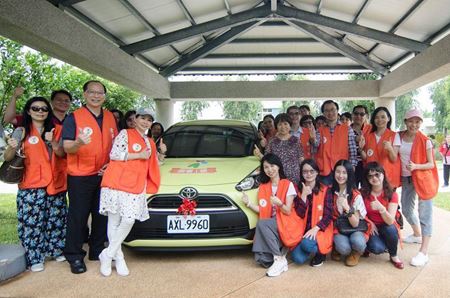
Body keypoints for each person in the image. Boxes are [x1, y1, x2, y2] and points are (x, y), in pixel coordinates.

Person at [4, 97, 67, 272]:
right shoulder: (22, 130)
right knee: (33, 223)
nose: (40, 111)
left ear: (48, 112)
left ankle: (55, 249)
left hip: (55, 182)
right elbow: (8, 158)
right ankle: (34, 257)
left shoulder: (57, 130)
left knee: (56, 219)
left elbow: (63, 154)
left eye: (44, 109)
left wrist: (52, 142)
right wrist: (12, 146)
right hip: (31, 183)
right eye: (36, 108)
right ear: (29, 111)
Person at [99, 108, 164, 277]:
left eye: (149, 120)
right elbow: (114, 154)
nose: (145, 122)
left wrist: (162, 152)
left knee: (128, 220)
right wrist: (138, 154)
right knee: (114, 221)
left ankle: (107, 254)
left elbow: (155, 163)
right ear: (135, 119)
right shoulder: (125, 134)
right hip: (117, 182)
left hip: (136, 185)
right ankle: (119, 258)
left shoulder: (150, 141)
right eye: (142, 118)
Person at [62, 80, 118, 274]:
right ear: (85, 94)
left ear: (104, 95)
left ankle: (97, 250)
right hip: (80, 176)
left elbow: (116, 147)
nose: (96, 96)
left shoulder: (111, 117)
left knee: (101, 214)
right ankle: (75, 256)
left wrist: (111, 165)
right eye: (92, 92)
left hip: (104, 175)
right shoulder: (74, 118)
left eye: (100, 92)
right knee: (78, 216)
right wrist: (78, 142)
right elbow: (67, 146)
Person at [241, 153, 302, 277]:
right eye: (266, 167)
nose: (270, 170)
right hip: (271, 225)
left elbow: (288, 211)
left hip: (286, 222)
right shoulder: (263, 187)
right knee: (262, 260)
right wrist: (248, 204)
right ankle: (280, 252)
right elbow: (262, 210)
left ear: (278, 166)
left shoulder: (287, 184)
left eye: (272, 166)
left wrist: (279, 204)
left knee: (262, 223)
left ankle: (279, 258)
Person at [392, 109, 438, 267]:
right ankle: (417, 233)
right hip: (406, 178)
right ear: (405, 121)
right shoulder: (399, 136)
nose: (414, 124)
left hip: (423, 178)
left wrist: (416, 166)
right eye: (411, 121)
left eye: (418, 121)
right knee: (406, 209)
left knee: (425, 213)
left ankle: (424, 252)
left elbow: (431, 164)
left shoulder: (425, 140)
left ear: (421, 123)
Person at [361, 162, 403, 269]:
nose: (374, 178)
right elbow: (360, 213)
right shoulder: (363, 193)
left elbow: (390, 221)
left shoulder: (392, 194)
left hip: (386, 225)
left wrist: (381, 208)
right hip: (370, 226)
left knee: (390, 229)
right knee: (377, 248)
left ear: (383, 174)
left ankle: (393, 255)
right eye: (370, 176)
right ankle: (371, 246)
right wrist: (370, 223)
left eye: (377, 174)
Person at [291, 159, 333, 267]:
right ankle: (310, 245)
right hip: (303, 229)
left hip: (319, 228)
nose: (308, 174)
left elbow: (328, 215)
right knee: (297, 258)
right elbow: (299, 215)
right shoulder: (298, 189)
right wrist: (304, 196)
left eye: (311, 171)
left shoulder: (325, 189)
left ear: (317, 172)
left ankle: (320, 253)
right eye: (305, 171)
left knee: (306, 245)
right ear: (301, 173)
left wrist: (316, 228)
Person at [331, 160, 368, 266]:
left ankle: (356, 252)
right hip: (338, 228)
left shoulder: (356, 194)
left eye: (344, 172)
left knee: (358, 242)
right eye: (338, 172)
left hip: (355, 229)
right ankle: (338, 247)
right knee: (344, 249)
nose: (340, 175)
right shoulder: (331, 191)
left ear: (349, 174)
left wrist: (347, 208)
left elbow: (355, 224)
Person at [316, 100, 357, 185]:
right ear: (323, 113)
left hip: (342, 170)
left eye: (332, 110)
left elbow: (352, 151)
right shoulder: (319, 130)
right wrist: (312, 140)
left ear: (337, 111)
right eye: (326, 111)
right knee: (325, 197)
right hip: (324, 171)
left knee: (342, 196)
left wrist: (352, 167)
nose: (330, 113)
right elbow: (315, 148)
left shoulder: (347, 129)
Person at [255, 113, 303, 185]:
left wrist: (304, 171)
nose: (283, 127)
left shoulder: (296, 140)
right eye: (280, 124)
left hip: (294, 177)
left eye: (285, 124)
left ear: (290, 125)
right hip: (277, 177)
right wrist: (259, 154)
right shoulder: (272, 141)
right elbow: (267, 159)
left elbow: (301, 158)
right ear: (276, 126)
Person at [360, 107, 401, 188]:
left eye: (383, 117)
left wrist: (390, 149)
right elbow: (366, 158)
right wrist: (360, 150)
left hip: (387, 178)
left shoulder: (394, 135)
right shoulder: (368, 136)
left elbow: (394, 159)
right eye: (376, 117)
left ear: (388, 118)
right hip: (372, 178)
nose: (379, 120)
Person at [4, 87, 73, 126]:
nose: (63, 102)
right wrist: (14, 97)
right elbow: (9, 119)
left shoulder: (73, 120)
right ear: (51, 102)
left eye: (66, 101)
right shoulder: (40, 116)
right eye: (59, 100)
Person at [351, 105, 371, 187]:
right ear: (352, 115)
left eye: (362, 114)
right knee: (352, 191)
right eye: (356, 114)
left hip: (366, 165)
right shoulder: (346, 130)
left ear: (366, 116)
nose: (358, 116)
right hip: (352, 165)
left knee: (366, 190)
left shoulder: (371, 129)